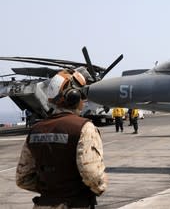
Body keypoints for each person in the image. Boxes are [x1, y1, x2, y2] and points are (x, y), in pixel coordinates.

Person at [16, 69, 107, 208]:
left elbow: (22, 178)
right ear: (74, 96)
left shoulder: (35, 130)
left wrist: (51, 191)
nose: (84, 100)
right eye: (82, 94)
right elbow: (93, 176)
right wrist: (100, 187)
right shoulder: (84, 128)